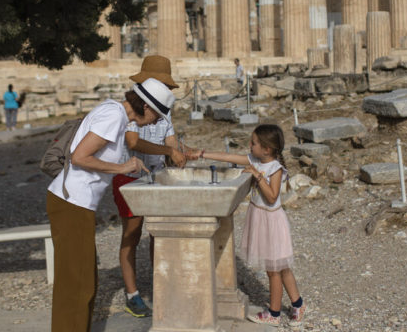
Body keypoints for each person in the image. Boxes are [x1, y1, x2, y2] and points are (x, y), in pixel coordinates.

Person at [47, 77, 175, 332]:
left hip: (77, 204)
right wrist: (122, 167)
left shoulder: (113, 110)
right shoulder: (114, 116)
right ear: (147, 107)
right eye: (158, 115)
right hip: (72, 202)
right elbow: (80, 156)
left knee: (83, 281)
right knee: (77, 285)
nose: (158, 122)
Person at [189, 124, 306, 327]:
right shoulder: (256, 159)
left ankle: (275, 314)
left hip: (272, 222)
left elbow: (271, 197)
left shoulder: (275, 168)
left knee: (274, 270)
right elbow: (230, 158)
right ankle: (298, 304)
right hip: (260, 219)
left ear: (266, 149)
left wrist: (257, 175)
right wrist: (202, 154)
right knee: (280, 266)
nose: (249, 146)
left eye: (253, 143)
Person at [112, 55, 187, 318]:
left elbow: (172, 142)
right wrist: (168, 149)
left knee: (159, 234)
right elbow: (133, 142)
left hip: (157, 177)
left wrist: (178, 154)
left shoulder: (164, 111)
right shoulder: (134, 107)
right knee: (132, 235)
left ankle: (161, 285)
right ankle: (132, 294)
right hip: (129, 178)